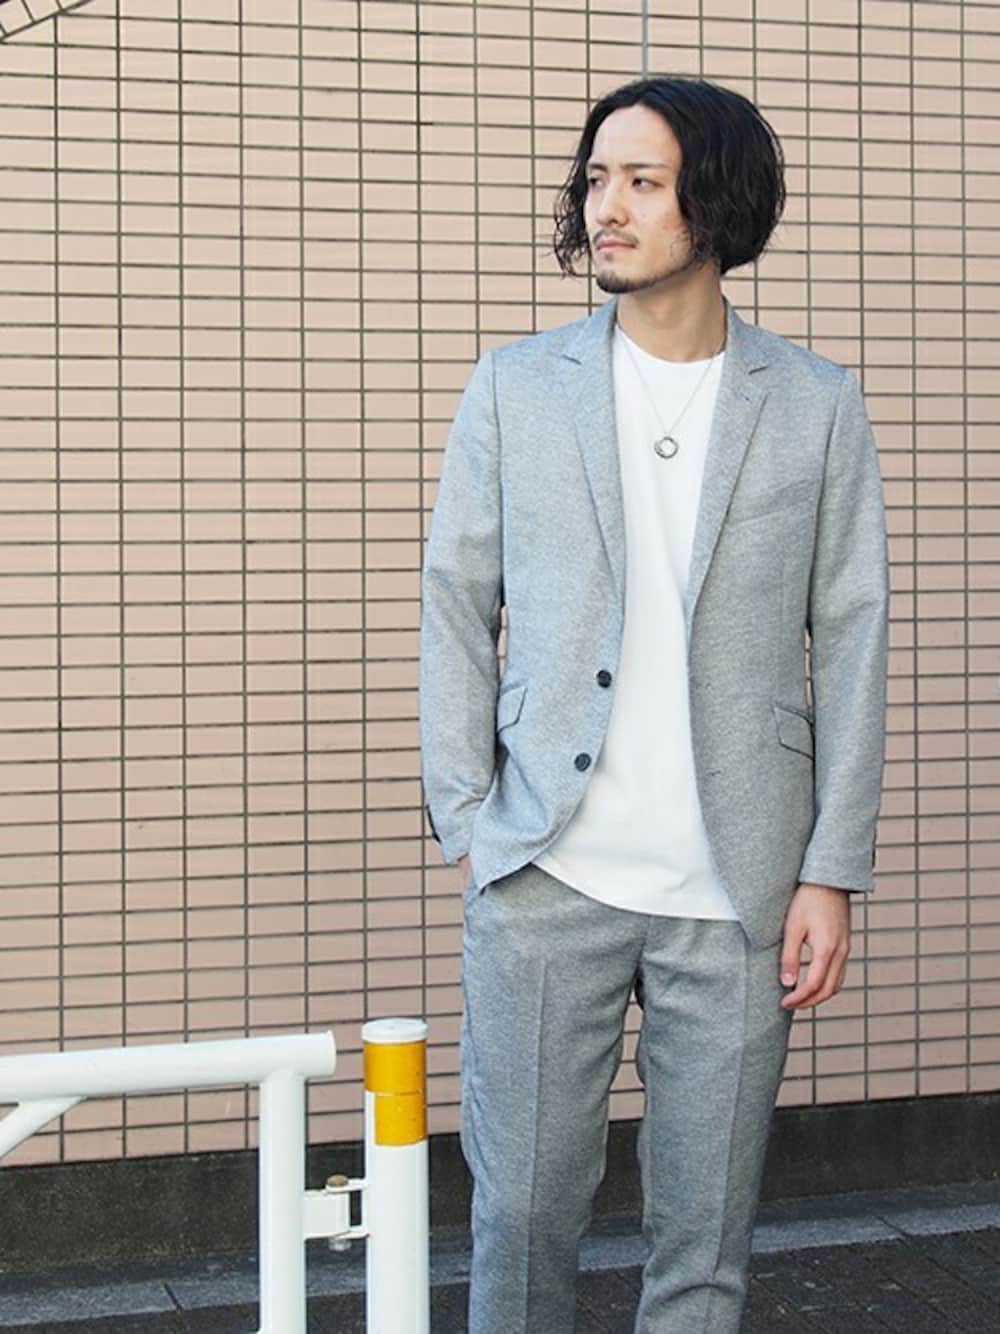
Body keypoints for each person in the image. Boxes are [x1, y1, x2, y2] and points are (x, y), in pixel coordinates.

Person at [419, 74, 889, 1333]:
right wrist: (468, 815)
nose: (605, 208)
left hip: (736, 888)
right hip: (545, 873)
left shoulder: (814, 402)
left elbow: (852, 635)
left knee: (704, 1244)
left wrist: (829, 869)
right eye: (595, 179)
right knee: (522, 1219)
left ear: (714, 201)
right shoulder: (518, 387)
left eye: (641, 180)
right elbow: (456, 598)